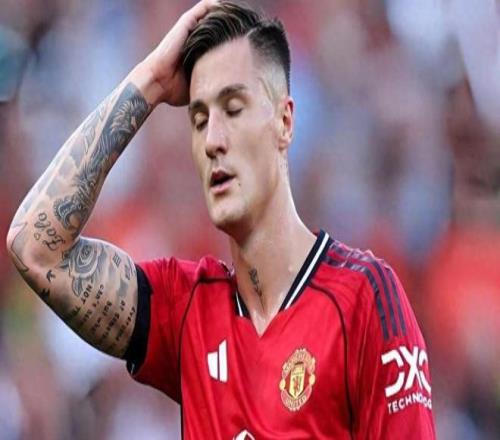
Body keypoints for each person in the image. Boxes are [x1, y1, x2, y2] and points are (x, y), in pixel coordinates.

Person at [6, 0, 436, 438]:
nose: (212, 140)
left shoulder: (363, 297)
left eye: (232, 109)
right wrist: (150, 81)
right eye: (198, 119)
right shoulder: (187, 310)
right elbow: (35, 248)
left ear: (284, 121)